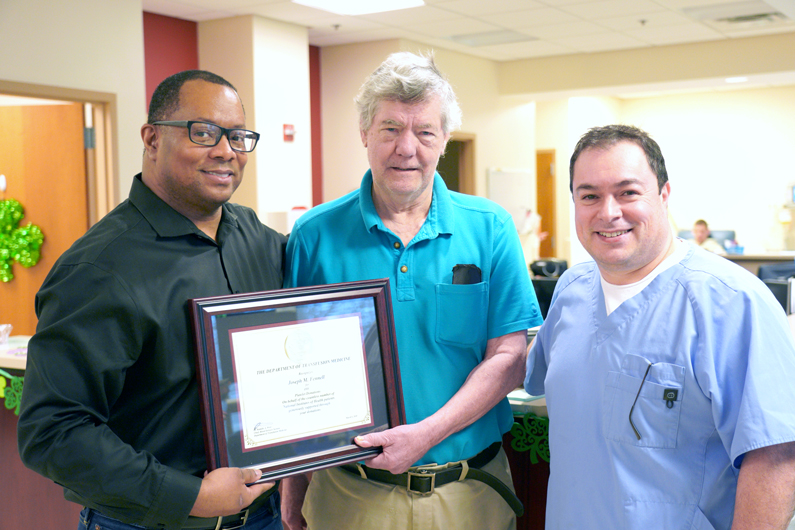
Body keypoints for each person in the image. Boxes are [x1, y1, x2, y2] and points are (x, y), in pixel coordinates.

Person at [280, 52, 542, 530]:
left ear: (444, 139)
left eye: (424, 132)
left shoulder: (491, 228)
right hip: (348, 495)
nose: (407, 148)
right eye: (390, 128)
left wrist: (425, 435)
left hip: (470, 493)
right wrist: (293, 490)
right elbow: (296, 368)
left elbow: (510, 358)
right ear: (364, 133)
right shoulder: (314, 235)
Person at [17, 70, 286, 530]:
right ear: (152, 138)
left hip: (264, 516)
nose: (226, 151)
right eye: (204, 132)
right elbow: (52, 432)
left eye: (238, 136)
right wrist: (191, 497)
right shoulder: (98, 268)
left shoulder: (256, 237)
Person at [525, 124, 795, 529]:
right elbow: (549, 372)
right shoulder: (571, 290)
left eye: (628, 192)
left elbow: (776, 459)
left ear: (664, 195)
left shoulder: (732, 302)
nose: (608, 212)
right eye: (589, 196)